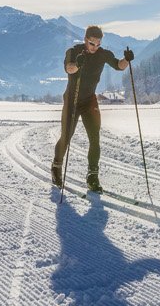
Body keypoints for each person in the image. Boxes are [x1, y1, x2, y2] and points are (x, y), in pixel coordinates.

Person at [51, 25, 134, 192]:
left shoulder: (103, 54)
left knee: (94, 139)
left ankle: (92, 177)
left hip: (89, 101)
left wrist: (127, 59)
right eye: (91, 43)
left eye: (97, 44)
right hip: (72, 100)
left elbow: (119, 65)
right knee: (66, 136)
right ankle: (56, 166)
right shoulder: (73, 51)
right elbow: (69, 68)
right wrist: (78, 64)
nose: (94, 47)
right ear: (85, 39)